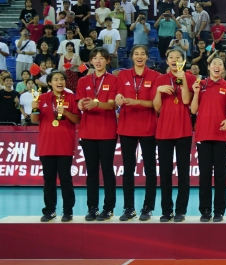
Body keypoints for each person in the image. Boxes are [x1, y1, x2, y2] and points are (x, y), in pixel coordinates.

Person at [115, 45, 159, 221]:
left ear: (147, 57)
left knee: (150, 169)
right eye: (136, 54)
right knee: (128, 169)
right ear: (131, 57)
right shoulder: (123, 75)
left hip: (148, 127)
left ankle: (148, 208)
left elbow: (155, 104)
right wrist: (118, 98)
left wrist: (136, 102)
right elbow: (118, 95)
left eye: (142, 54)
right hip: (127, 127)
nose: (139, 56)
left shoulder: (155, 76)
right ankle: (129, 208)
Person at [152, 48, 196, 222]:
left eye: (178, 57)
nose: (174, 60)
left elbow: (186, 100)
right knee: (165, 173)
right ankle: (166, 210)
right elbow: (156, 107)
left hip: (183, 130)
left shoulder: (190, 78)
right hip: (164, 132)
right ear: (167, 60)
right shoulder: (160, 79)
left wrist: (183, 79)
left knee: (183, 173)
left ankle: (181, 210)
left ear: (183, 61)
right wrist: (158, 91)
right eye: (171, 57)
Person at [190, 54, 226, 222]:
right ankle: (205, 210)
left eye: (220, 64)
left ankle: (219, 210)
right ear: (209, 67)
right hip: (203, 134)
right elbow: (193, 110)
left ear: (223, 69)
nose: (217, 66)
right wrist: (196, 93)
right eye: (214, 63)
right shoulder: (200, 85)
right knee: (204, 175)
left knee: (220, 175)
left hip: (221, 136)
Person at [75, 49, 118, 221]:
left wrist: (96, 104)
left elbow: (112, 105)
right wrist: (81, 105)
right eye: (95, 58)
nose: (98, 61)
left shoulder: (113, 80)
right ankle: (92, 208)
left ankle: (108, 208)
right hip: (87, 132)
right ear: (91, 61)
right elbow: (79, 102)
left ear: (107, 60)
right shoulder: (83, 80)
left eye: (101, 58)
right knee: (91, 172)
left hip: (107, 132)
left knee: (107, 171)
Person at [32, 71, 80, 222]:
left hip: (65, 145)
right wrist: (34, 108)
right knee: (49, 180)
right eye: (56, 80)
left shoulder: (71, 98)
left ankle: (68, 211)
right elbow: (34, 119)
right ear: (50, 83)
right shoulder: (42, 98)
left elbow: (78, 119)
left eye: (62, 79)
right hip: (47, 146)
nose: (59, 82)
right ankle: (49, 210)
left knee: (66, 179)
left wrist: (66, 112)